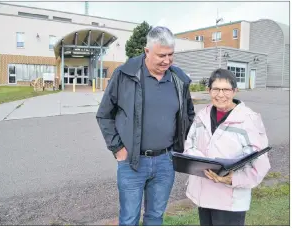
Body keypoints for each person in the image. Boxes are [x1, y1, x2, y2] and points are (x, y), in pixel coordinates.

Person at [96, 26, 195, 226]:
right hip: (132, 162)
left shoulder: (178, 79)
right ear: (147, 51)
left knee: (155, 217)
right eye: (161, 55)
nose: (167, 60)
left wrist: (180, 145)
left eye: (170, 55)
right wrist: (118, 149)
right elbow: (104, 115)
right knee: (129, 219)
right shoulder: (125, 75)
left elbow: (188, 114)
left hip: (165, 163)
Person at [183, 68, 271, 226]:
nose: (220, 94)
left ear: (235, 91)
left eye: (226, 89)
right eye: (215, 89)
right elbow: (190, 145)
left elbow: (260, 161)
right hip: (204, 195)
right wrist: (201, 164)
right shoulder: (201, 116)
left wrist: (233, 179)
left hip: (230, 200)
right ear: (208, 90)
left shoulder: (248, 119)